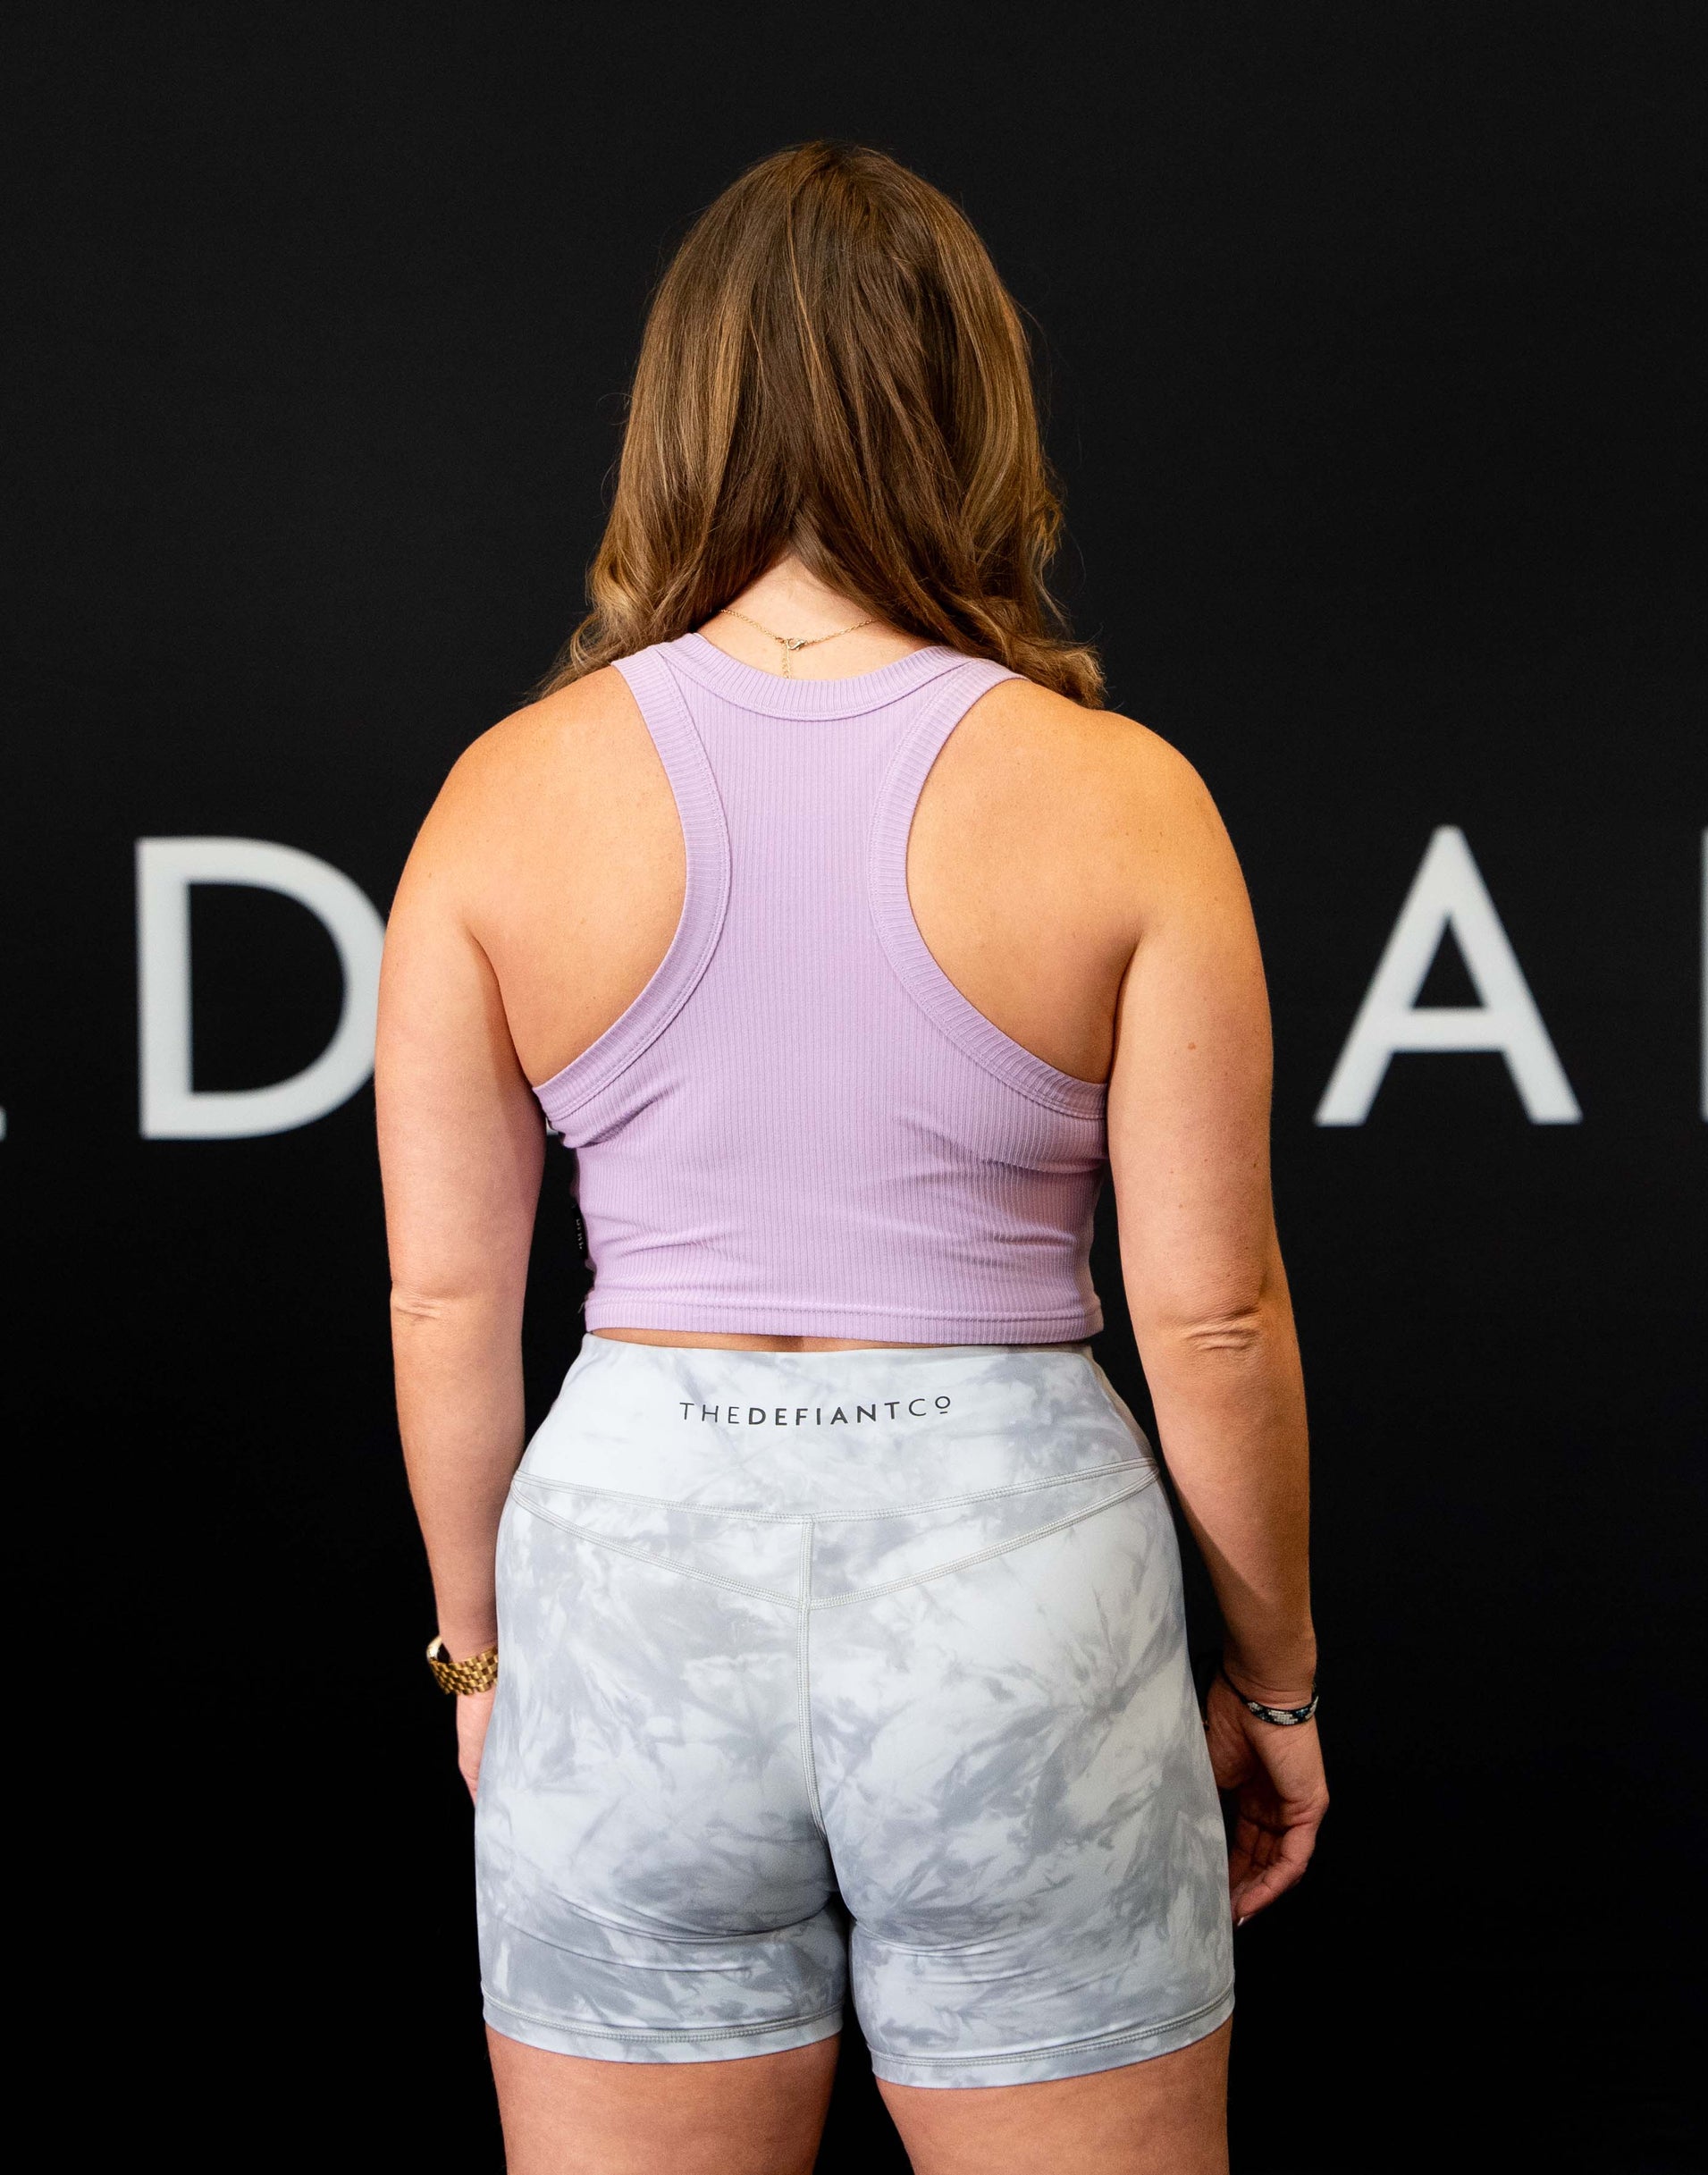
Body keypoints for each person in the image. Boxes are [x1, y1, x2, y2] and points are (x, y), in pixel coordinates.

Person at [376, 139, 1327, 2175]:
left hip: (629, 1577)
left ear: (676, 414)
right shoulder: (1120, 796)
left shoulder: (506, 794)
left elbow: (448, 1298)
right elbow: (1214, 1314)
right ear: (980, 413)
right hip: (1013, 1577)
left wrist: (477, 1654)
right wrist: (1277, 1690)